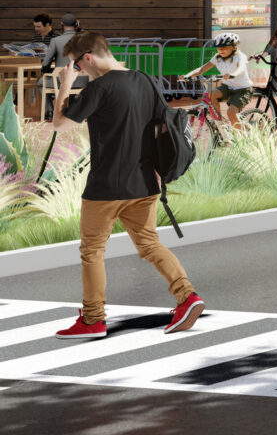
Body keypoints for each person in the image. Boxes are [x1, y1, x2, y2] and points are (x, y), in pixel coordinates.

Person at [51, 31, 204, 339]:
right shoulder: (145, 80)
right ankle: (187, 296)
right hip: (145, 183)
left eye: (77, 65)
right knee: (150, 245)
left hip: (105, 187)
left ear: (89, 58)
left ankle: (93, 319)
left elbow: (60, 123)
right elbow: (164, 126)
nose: (79, 70)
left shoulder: (99, 88)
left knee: (92, 251)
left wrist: (65, 85)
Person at [181, 35, 255, 128]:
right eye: (219, 48)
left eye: (225, 47)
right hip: (227, 87)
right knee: (210, 94)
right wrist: (187, 75)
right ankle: (219, 122)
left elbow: (239, 68)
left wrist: (232, 74)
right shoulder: (217, 58)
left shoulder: (240, 56)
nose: (221, 50)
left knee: (231, 113)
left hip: (242, 89)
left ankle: (240, 138)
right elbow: (202, 69)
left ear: (234, 47)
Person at [31, 14, 64, 120]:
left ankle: (50, 110)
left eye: (38, 27)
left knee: (42, 82)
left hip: (52, 68)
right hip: (36, 67)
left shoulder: (57, 37)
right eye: (35, 26)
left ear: (48, 25)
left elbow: (61, 56)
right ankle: (50, 109)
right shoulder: (36, 37)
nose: (36, 29)